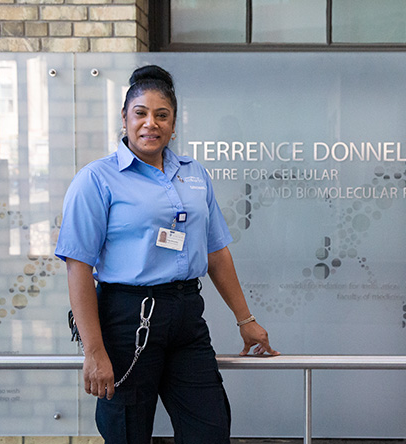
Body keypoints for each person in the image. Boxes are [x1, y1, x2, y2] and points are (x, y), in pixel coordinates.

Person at [55, 65, 278, 444]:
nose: (150, 123)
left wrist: (246, 318)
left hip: (186, 315)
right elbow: (78, 267)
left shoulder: (193, 174)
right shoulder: (96, 179)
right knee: (127, 434)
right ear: (124, 119)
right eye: (140, 113)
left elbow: (216, 252)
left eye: (162, 115)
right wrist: (93, 350)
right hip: (128, 320)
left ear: (174, 124)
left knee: (210, 430)